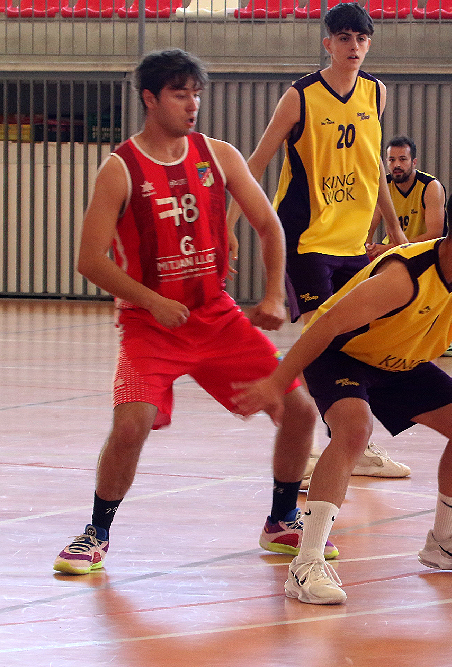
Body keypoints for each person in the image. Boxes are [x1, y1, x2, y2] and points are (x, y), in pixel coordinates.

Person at [53, 49, 334, 575]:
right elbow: (89, 259)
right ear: (150, 98)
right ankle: (96, 532)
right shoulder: (121, 168)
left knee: (297, 410)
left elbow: (270, 227)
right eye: (180, 93)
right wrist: (152, 300)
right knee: (132, 424)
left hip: (217, 316)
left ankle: (281, 521)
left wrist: (274, 294)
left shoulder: (218, 155)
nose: (193, 104)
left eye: (196, 93)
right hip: (151, 323)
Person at [231, 180, 452, 605]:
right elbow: (323, 325)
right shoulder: (402, 276)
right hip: (342, 355)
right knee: (353, 431)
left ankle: (446, 540)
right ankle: (305, 565)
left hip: (401, 362)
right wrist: (276, 380)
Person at [226, 3, 409, 479]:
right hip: (306, 239)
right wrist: (228, 222)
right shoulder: (301, 96)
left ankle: (350, 437)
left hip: (353, 242)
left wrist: (392, 227)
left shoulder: (376, 92)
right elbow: (257, 161)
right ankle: (318, 442)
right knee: (323, 338)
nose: (353, 47)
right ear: (327, 42)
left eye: (361, 39)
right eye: (344, 38)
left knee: (357, 339)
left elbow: (372, 167)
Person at [367, 135, 446, 251]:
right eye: (392, 160)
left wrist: (389, 248)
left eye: (402, 159)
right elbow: (369, 226)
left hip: (425, 253)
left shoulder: (431, 186)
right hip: (393, 252)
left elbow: (434, 235)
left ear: (414, 162)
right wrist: (365, 248)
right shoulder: (383, 185)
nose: (397, 165)